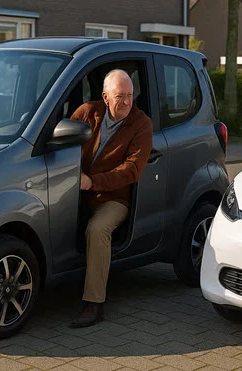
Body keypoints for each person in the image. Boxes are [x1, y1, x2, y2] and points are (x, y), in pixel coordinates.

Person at [69, 69, 153, 328]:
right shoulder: (86, 113)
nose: (126, 102)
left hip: (114, 199)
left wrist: (94, 181)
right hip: (76, 191)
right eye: (119, 96)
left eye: (130, 95)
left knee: (97, 229)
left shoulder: (141, 124)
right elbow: (62, 142)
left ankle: (94, 304)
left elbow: (132, 170)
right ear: (105, 97)